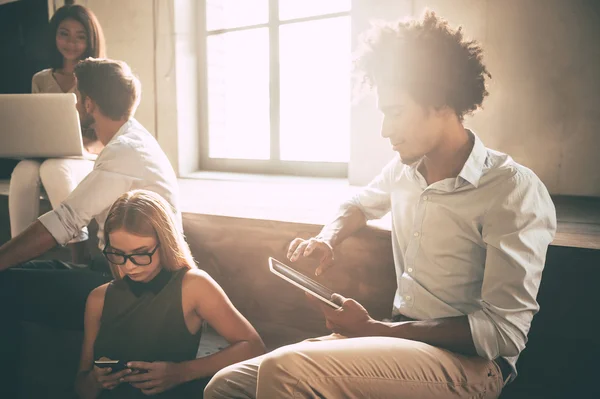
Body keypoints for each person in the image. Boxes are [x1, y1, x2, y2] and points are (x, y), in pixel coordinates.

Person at [204, 11, 557, 399]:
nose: (385, 129)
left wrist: (375, 330)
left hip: (470, 367)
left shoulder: (511, 190)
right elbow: (357, 203)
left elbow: (501, 333)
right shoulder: (405, 170)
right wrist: (328, 239)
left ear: (440, 101)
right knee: (227, 387)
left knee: (282, 370)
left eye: (396, 112)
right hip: (396, 341)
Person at [74, 190, 265, 398]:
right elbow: (81, 389)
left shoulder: (194, 286)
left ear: (165, 243)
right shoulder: (98, 299)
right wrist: (95, 380)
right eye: (118, 254)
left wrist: (180, 372)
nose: (129, 266)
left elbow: (253, 347)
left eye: (140, 254)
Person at [0, 57, 179, 272]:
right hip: (121, 270)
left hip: (132, 283)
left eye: (76, 97)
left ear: (88, 103)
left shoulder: (124, 151)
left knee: (12, 280)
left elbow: (65, 220)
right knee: (18, 274)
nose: (74, 104)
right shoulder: (132, 139)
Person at [9, 4, 106, 263]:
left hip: (85, 155)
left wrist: (84, 147)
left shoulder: (98, 76)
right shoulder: (40, 79)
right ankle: (18, 254)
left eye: (80, 36)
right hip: (48, 153)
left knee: (54, 168)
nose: (71, 42)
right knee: (23, 171)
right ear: (54, 36)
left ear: (91, 39)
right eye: (64, 33)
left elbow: (107, 130)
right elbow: (36, 124)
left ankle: (79, 252)